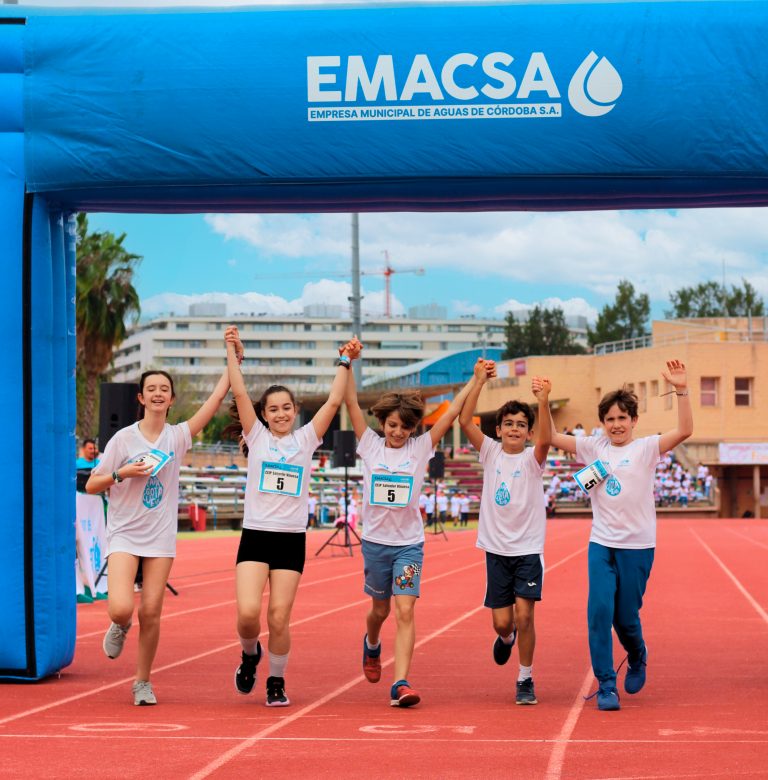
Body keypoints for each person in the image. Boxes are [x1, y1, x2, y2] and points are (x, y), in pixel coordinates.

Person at [225, 326, 360, 707]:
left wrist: (345, 360)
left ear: (295, 411)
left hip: (290, 539)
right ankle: (249, 654)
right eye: (273, 409)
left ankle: (276, 680)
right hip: (256, 535)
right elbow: (239, 392)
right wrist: (232, 351)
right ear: (263, 415)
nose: (281, 413)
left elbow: (333, 402)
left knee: (279, 617)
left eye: (286, 407)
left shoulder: (306, 439)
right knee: (248, 614)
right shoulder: (257, 437)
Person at [549, 360, 692, 711]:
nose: (616, 424)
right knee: (599, 612)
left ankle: (637, 654)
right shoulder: (593, 447)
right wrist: (543, 401)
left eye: (622, 418)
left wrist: (681, 390)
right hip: (601, 544)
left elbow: (685, 430)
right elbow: (550, 437)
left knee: (625, 618)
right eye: (610, 419)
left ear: (634, 420)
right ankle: (606, 685)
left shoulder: (646, 448)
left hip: (638, 546)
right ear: (602, 423)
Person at [86, 366, 231, 706]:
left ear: (171, 399)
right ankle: (120, 625)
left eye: (164, 388)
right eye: (151, 388)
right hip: (124, 532)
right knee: (121, 608)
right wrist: (122, 473)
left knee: (151, 611)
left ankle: (142, 682)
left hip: (160, 536)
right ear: (141, 397)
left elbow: (214, 400)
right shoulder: (123, 439)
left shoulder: (177, 436)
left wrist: (231, 362)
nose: (157, 393)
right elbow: (92, 484)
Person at [345, 361, 477, 707]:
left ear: (413, 428)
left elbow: (452, 412)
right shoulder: (369, 446)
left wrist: (475, 379)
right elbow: (350, 401)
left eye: (405, 427)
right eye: (392, 425)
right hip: (376, 543)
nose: (398, 432)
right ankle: (372, 644)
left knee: (405, 610)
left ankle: (400, 682)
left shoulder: (420, 449)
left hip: (408, 545)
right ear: (382, 423)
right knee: (379, 610)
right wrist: (348, 362)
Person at [459, 359, 552, 705]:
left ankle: (525, 678)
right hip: (497, 551)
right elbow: (464, 421)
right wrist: (478, 381)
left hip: (528, 550)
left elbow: (546, 439)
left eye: (521, 425)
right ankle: (506, 638)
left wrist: (543, 402)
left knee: (525, 615)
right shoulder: (490, 452)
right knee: (503, 623)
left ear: (528, 432)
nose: (515, 429)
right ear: (498, 429)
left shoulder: (533, 459)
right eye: (509, 423)